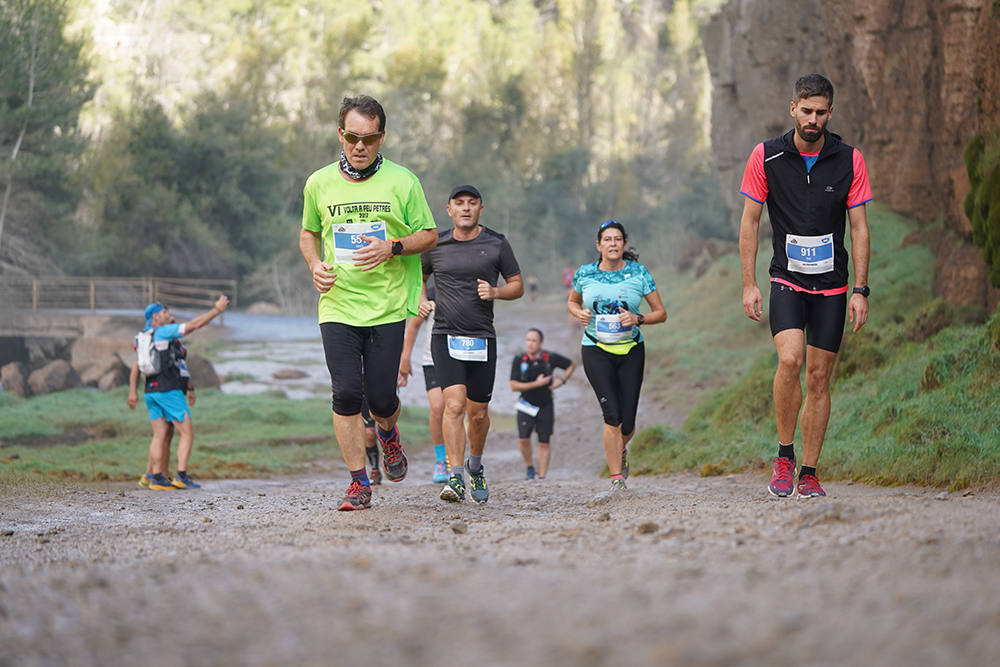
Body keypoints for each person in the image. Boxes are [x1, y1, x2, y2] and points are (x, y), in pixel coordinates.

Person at [299, 94, 438, 511]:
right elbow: (308, 233)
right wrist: (314, 265)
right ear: (340, 134)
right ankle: (359, 483)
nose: (360, 146)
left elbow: (429, 235)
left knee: (380, 401)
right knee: (344, 393)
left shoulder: (404, 182)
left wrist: (392, 247)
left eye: (370, 138)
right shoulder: (318, 182)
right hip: (338, 304)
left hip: (388, 306)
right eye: (352, 137)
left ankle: (389, 434)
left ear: (381, 138)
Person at [739, 73, 872, 499]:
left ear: (830, 113)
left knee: (819, 376)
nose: (813, 119)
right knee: (791, 360)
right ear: (792, 109)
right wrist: (749, 283)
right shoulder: (766, 156)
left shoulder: (850, 159)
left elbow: (860, 228)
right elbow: (750, 221)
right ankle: (784, 455)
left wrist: (861, 290)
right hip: (787, 280)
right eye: (806, 110)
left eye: (821, 112)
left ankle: (810, 472)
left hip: (832, 287)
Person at [421, 184, 523, 503]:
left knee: (478, 413)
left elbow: (517, 285)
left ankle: (475, 466)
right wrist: (421, 301)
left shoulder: (496, 243)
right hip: (444, 335)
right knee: (454, 405)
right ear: (448, 209)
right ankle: (455, 477)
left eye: (472, 203)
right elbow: (416, 279)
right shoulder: (435, 242)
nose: (466, 208)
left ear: (481, 208)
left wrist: (495, 293)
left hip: (482, 336)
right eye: (459, 203)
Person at [567, 221, 667, 492]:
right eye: (607, 239)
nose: (613, 244)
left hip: (631, 349)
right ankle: (616, 481)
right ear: (598, 245)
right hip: (595, 348)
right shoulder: (585, 273)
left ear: (624, 244)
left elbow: (661, 312)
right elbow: (572, 302)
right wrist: (578, 313)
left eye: (618, 239)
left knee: (628, 422)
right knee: (611, 415)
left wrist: (638, 318)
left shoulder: (639, 273)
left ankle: (620, 451)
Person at [127, 297, 230, 490]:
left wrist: (188, 387)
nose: (170, 315)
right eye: (166, 313)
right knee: (187, 433)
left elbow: (143, 365)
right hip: (168, 390)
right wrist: (216, 310)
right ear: (156, 317)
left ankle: (156, 478)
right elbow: (194, 325)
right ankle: (181, 476)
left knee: (160, 434)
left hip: (151, 390)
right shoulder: (163, 332)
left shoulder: (142, 336)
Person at [398, 281, 449, 483]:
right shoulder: (431, 295)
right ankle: (440, 460)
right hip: (432, 360)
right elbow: (413, 327)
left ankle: (455, 458)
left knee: (456, 409)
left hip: (460, 357)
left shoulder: (464, 291)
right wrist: (405, 358)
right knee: (438, 407)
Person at [509, 328, 576, 480]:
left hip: (546, 404)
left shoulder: (549, 357)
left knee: (544, 442)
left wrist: (562, 381)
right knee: (523, 439)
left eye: (534, 340)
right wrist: (537, 383)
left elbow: (571, 365)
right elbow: (513, 386)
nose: (530, 344)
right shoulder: (520, 359)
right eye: (528, 340)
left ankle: (543, 477)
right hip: (526, 404)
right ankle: (529, 467)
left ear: (541, 343)